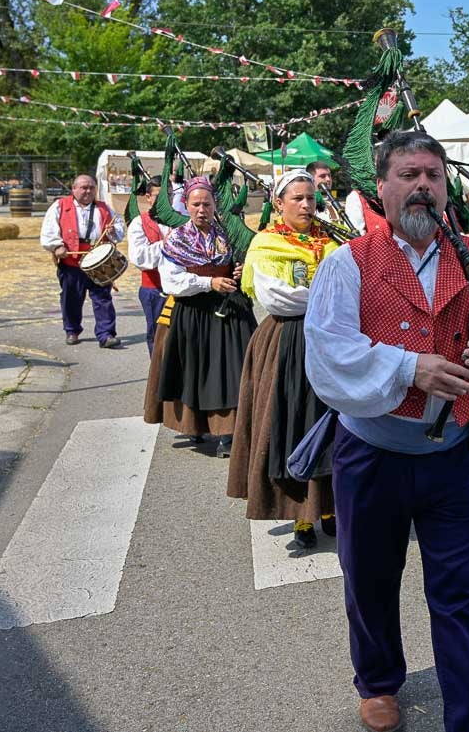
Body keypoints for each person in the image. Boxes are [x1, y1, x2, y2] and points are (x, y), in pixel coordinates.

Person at [304, 132, 469, 732]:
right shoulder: (349, 263)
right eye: (409, 174)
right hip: (371, 454)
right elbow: (328, 357)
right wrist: (407, 366)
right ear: (383, 187)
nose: (423, 186)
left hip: (452, 457)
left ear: (446, 188)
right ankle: (379, 680)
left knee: (459, 595)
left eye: (433, 176)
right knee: (369, 579)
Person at [227, 170, 340, 551]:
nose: (307, 205)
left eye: (311, 198)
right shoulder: (266, 244)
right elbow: (279, 299)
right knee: (293, 421)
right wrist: (330, 298)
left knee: (333, 423)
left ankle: (330, 507)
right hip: (288, 342)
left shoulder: (331, 242)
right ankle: (300, 512)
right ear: (279, 204)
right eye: (298, 199)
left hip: (329, 342)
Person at [144, 177, 257, 457]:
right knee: (195, 371)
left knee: (232, 371)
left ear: (214, 204)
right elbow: (171, 282)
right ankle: (193, 426)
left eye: (207, 203)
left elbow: (235, 265)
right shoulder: (177, 239)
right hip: (193, 313)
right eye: (196, 204)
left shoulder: (226, 235)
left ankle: (229, 434)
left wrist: (238, 272)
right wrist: (209, 283)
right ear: (186, 205)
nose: (202, 209)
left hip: (228, 311)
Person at [39, 174, 124, 348]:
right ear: (74, 189)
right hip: (71, 262)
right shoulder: (60, 206)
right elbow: (49, 229)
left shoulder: (104, 208)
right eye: (84, 187)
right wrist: (56, 247)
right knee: (71, 298)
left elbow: (118, 229)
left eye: (91, 188)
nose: (88, 191)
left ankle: (106, 334)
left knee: (103, 299)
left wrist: (112, 231)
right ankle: (72, 330)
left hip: (99, 262)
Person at [126, 175, 167, 355]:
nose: (165, 200)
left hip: (183, 288)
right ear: (148, 197)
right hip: (155, 288)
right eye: (159, 195)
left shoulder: (182, 219)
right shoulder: (138, 223)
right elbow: (140, 258)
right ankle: (159, 379)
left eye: (168, 194)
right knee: (158, 336)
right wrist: (169, 243)